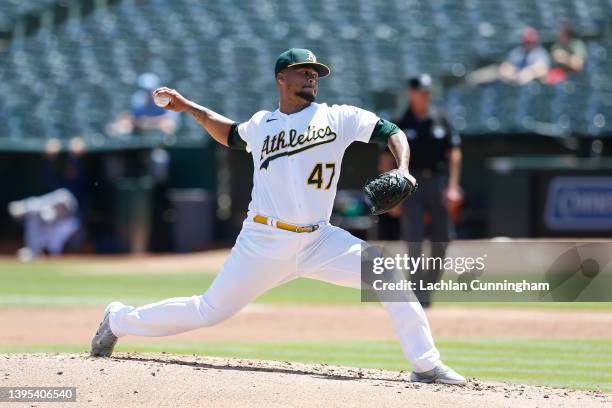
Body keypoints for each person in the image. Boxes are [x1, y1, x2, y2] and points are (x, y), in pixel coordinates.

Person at [90, 48, 466, 385]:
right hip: (264, 241)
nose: (312, 77)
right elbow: (232, 134)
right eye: (304, 72)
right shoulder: (262, 124)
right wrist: (190, 108)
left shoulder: (338, 117)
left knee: (385, 271)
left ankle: (426, 365)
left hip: (321, 240)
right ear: (281, 78)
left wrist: (403, 167)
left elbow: (392, 131)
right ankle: (118, 319)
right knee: (209, 311)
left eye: (315, 73)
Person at [394, 74, 463, 308]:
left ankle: (426, 288)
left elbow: (454, 152)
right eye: (421, 91)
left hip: (438, 183)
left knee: (443, 239)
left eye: (428, 91)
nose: (426, 95)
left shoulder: (440, 118)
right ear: (410, 93)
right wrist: (394, 194)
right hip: (411, 183)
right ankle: (417, 294)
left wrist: (453, 187)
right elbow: (386, 158)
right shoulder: (401, 121)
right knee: (414, 239)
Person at [466, 27, 550, 86]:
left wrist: (528, 72)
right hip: (512, 79)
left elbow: (542, 71)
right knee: (493, 71)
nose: (529, 45)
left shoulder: (540, 53)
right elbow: (507, 65)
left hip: (532, 83)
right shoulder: (518, 52)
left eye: (531, 42)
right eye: (527, 42)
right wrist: (511, 71)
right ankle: (471, 82)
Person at [107, 72, 179, 137]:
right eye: (145, 90)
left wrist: (150, 121)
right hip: (141, 125)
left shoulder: (166, 98)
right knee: (122, 124)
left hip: (157, 124)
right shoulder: (138, 97)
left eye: (150, 89)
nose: (148, 92)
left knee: (168, 125)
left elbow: (170, 118)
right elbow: (134, 116)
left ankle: (168, 145)